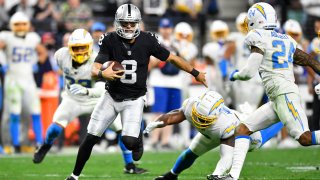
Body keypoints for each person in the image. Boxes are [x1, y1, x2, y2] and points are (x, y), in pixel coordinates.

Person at [66, 4, 206, 180]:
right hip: (111, 96)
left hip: (134, 98)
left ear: (138, 23)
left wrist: (196, 72)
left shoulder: (148, 40)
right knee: (90, 138)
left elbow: (172, 58)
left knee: (129, 143)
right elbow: (94, 70)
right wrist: (103, 73)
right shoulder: (109, 40)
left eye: (133, 23)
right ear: (118, 23)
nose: (129, 27)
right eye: (125, 23)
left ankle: (137, 136)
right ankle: (74, 176)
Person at [221, 2, 320, 180]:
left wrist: (235, 75)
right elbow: (308, 59)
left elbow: (249, 72)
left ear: (255, 19)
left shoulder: (257, 36)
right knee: (243, 129)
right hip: (277, 98)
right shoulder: (285, 39)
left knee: (305, 138)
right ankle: (232, 176)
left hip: (284, 94)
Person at [33, 28, 147, 174]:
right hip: (72, 100)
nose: (80, 51)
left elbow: (102, 88)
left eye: (83, 47)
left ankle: (129, 165)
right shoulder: (61, 55)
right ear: (69, 48)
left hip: (96, 100)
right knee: (55, 127)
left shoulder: (98, 60)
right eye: (76, 48)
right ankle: (45, 146)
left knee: (120, 130)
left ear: (89, 47)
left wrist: (87, 91)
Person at [144, 90, 283, 180]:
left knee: (260, 138)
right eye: (197, 117)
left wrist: (216, 175)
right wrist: (157, 122)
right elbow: (172, 117)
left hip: (242, 133)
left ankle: (283, 117)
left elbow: (227, 156)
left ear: (217, 114)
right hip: (213, 133)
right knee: (190, 153)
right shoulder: (191, 105)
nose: (199, 121)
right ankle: (172, 176)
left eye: (204, 119)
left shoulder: (225, 123)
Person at [0, 12, 47, 152]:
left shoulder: (32, 38)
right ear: (11, 26)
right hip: (12, 79)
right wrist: (2, 62)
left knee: (34, 110)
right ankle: (15, 144)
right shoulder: (6, 37)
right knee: (13, 112)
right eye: (17, 24)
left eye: (23, 24)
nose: (20, 27)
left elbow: (42, 52)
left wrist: (36, 62)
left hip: (28, 79)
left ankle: (39, 142)